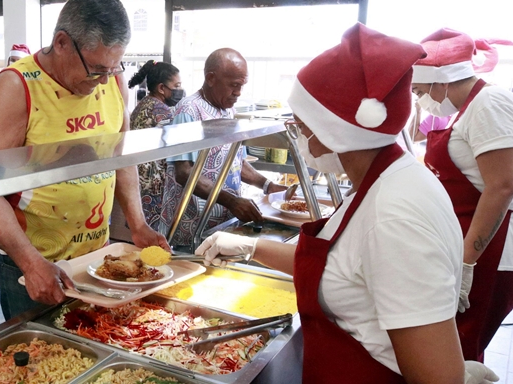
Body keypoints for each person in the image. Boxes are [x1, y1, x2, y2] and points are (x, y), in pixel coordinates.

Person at [197, 24, 500, 383]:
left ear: (333, 131)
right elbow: (340, 270)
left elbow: (437, 377)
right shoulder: (380, 183)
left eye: (301, 125)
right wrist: (251, 247)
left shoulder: (395, 216)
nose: (299, 136)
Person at [0, 0, 169, 320]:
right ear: (62, 43)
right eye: (96, 70)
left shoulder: (114, 83)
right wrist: (30, 262)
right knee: (44, 364)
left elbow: (121, 157)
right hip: (35, 263)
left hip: (98, 259)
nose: (104, 80)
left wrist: (138, 223)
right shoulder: (17, 87)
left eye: (113, 68)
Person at [412, 28, 513, 362]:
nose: (418, 98)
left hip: (493, 251)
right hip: (468, 240)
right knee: (455, 348)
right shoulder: (461, 109)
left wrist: (468, 261)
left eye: (420, 90)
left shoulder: (488, 103)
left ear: (441, 82)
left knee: (462, 348)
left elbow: (502, 186)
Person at [159, 48, 286, 247]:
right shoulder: (189, 111)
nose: (238, 92)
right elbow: (184, 172)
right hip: (191, 228)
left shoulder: (228, 110)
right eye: (234, 85)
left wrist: (268, 186)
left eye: (242, 86)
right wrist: (232, 201)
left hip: (221, 223)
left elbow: (236, 162)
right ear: (211, 78)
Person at [127, 60, 184, 231]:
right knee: (155, 239)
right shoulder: (162, 111)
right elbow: (175, 149)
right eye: (177, 85)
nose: (180, 90)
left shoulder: (143, 105)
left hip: (140, 182)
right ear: (161, 88)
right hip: (155, 187)